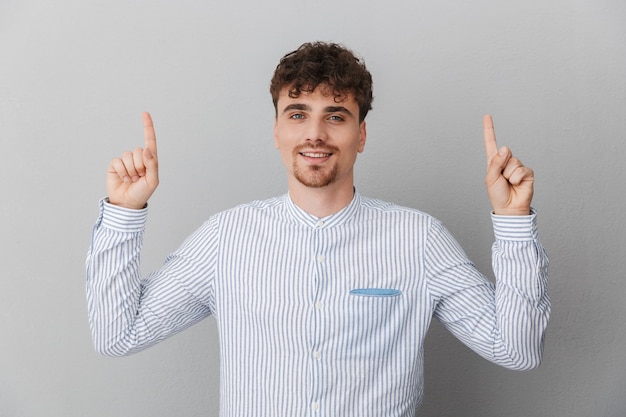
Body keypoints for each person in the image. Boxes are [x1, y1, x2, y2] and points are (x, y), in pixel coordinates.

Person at [86, 41, 550, 416]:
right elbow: (117, 335)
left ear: (361, 135)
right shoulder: (225, 238)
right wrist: (125, 212)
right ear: (276, 130)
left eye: (335, 115)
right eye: (297, 113)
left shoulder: (419, 240)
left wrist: (513, 224)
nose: (315, 134)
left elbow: (518, 349)